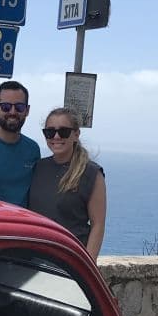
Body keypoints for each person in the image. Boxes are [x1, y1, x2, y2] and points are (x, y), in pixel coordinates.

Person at [27, 107, 107, 258]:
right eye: (50, 132)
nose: (56, 136)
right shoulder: (39, 167)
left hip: (71, 260)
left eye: (63, 132)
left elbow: (98, 225)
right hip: (37, 258)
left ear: (76, 134)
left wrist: (88, 265)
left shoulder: (91, 173)